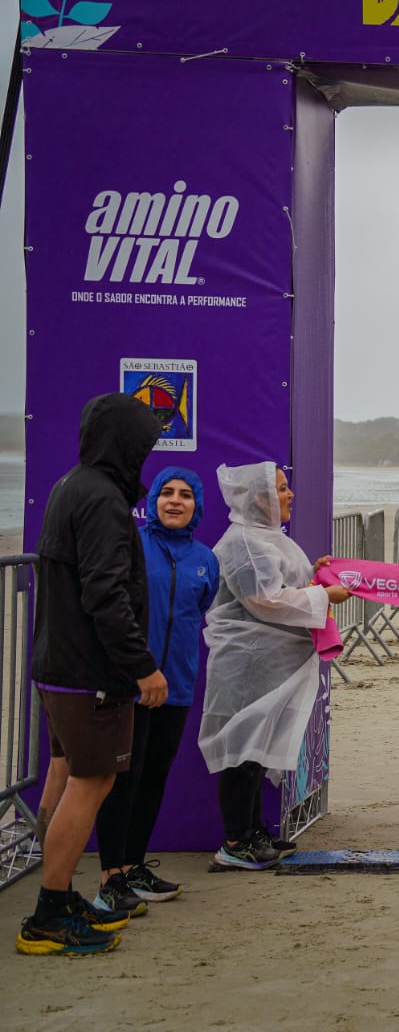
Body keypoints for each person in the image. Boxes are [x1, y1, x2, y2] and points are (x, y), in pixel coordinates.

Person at [20, 393, 166, 956]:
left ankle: (57, 897)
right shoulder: (103, 497)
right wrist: (142, 666)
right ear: (124, 442)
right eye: (144, 442)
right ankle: (47, 916)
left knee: (67, 778)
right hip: (90, 673)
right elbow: (105, 594)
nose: (146, 453)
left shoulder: (70, 484)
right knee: (92, 783)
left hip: (59, 665)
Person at [199, 463, 352, 870]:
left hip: (269, 663)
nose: (290, 495)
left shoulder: (270, 538)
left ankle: (252, 831)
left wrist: (317, 575)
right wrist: (325, 596)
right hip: (248, 664)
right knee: (243, 751)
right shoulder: (244, 542)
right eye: (282, 489)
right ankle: (235, 842)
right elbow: (265, 600)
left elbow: (287, 585)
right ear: (260, 498)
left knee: (258, 749)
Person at [90, 468, 219, 914]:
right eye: (167, 493)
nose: (175, 501)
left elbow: (201, 606)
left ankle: (133, 866)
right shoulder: (133, 545)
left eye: (185, 495)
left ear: (196, 505)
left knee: (153, 779)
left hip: (176, 685)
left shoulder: (206, 559)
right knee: (123, 779)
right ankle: (110, 877)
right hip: (132, 684)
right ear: (154, 502)